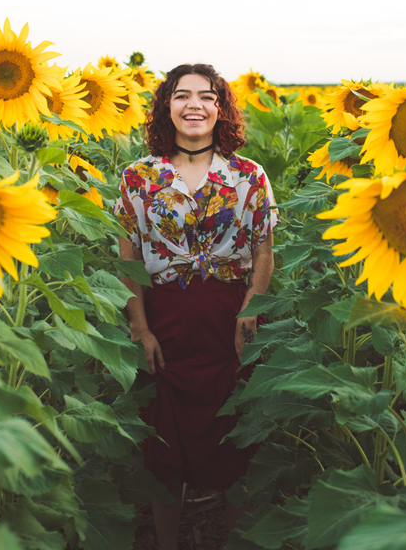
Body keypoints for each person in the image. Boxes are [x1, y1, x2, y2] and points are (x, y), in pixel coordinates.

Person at [113, 63, 277, 550]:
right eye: (182, 95)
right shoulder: (139, 178)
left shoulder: (248, 175)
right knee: (165, 440)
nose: (194, 105)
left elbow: (264, 251)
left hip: (226, 317)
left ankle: (232, 539)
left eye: (206, 96)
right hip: (165, 317)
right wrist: (141, 329)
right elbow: (128, 260)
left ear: (220, 108)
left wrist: (251, 309)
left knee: (235, 435)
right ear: (167, 107)